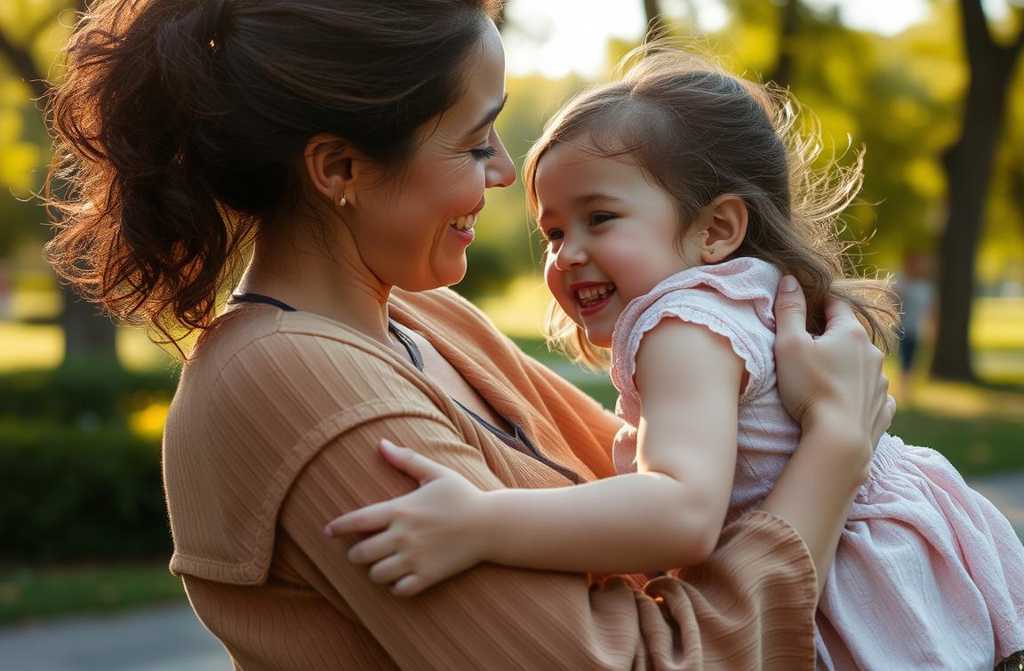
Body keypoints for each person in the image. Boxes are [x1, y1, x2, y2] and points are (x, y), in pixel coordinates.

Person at [45, 1, 894, 668]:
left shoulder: (426, 320)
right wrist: (833, 450)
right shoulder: (293, 387)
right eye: (474, 140)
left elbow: (671, 497)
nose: (505, 171)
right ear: (339, 169)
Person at [328, 51, 1024, 670]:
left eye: (601, 218)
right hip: (894, 557)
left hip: (854, 584)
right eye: (554, 231)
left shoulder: (681, 323)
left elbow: (681, 512)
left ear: (716, 228)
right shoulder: (739, 296)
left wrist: (481, 523)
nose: (568, 254)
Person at [895, 251, 935, 405]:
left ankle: (908, 390)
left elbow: (930, 311)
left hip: (917, 330)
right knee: (904, 359)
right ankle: (904, 390)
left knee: (912, 360)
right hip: (904, 328)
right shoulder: (903, 284)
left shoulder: (925, 288)